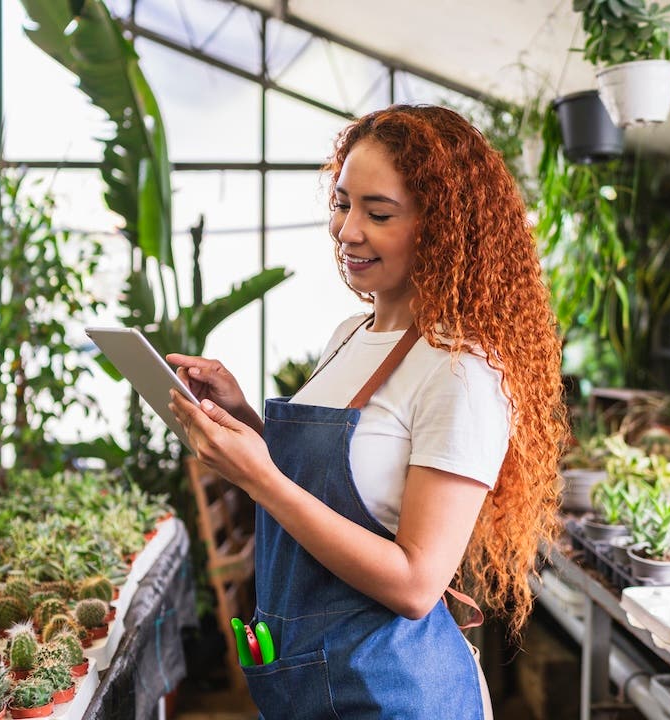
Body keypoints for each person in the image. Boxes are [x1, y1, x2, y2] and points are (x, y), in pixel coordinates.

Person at [167, 104, 566, 719]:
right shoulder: (349, 335)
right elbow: (330, 480)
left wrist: (260, 480)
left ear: (439, 228)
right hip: (317, 678)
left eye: (377, 213)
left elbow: (415, 584)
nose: (347, 229)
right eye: (342, 202)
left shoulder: (460, 371)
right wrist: (242, 417)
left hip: (391, 692)